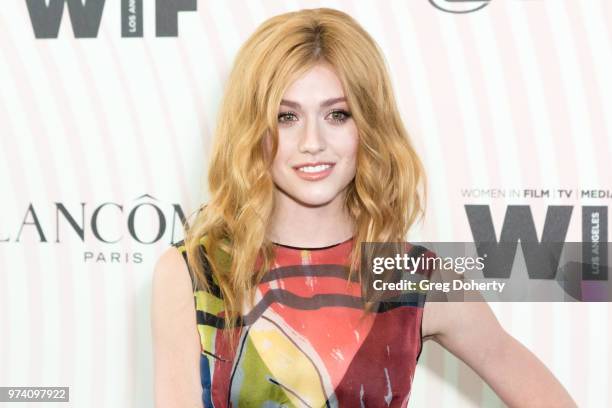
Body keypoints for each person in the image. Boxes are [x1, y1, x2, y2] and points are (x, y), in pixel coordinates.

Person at [151, 7, 577, 408]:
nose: (312, 142)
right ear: (251, 129)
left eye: (337, 115)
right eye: (286, 117)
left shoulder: (412, 276)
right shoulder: (195, 273)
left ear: (368, 125)